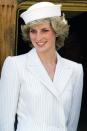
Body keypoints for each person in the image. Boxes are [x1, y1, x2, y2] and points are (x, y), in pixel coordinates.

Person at [0, 2, 83, 131]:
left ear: (56, 31)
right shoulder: (15, 65)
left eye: (44, 30)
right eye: (33, 31)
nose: (38, 37)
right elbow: (5, 123)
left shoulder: (75, 70)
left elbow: (72, 124)